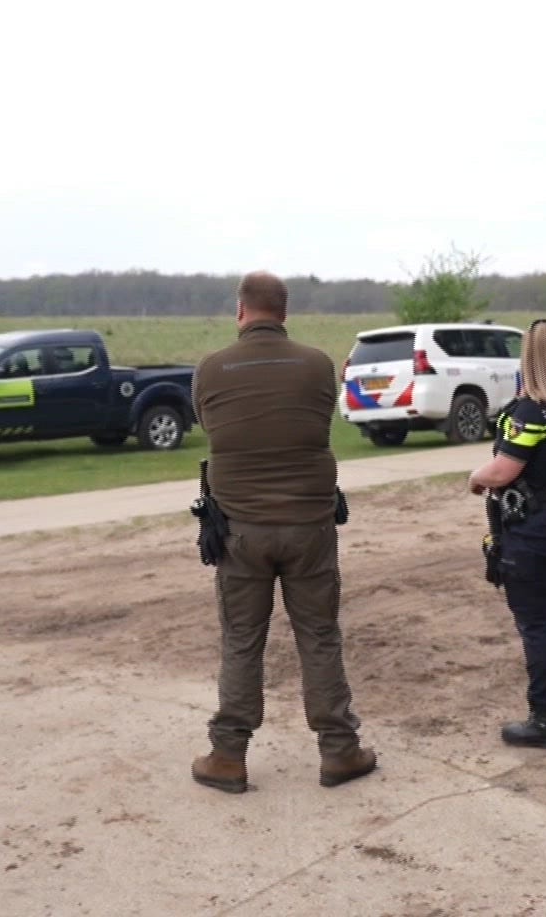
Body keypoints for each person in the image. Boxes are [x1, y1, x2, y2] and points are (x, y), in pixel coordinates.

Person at [189, 271, 377, 794]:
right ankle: (339, 751)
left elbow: (209, 423)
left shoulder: (211, 368)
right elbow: (318, 418)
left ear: (241, 311)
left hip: (239, 531)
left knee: (242, 640)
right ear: (285, 312)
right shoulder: (317, 365)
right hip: (310, 526)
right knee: (319, 636)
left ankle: (228, 754)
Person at [469, 318, 546, 751]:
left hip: (532, 528)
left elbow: (504, 470)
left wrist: (476, 476)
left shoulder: (529, 412)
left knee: (535, 622)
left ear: (528, 359)